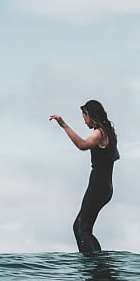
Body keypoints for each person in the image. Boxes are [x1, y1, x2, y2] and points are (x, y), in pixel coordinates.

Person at [50, 100, 120, 252]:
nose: (84, 121)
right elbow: (116, 155)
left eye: (84, 117)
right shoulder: (109, 132)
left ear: (90, 115)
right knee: (79, 227)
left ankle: (96, 265)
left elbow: (82, 145)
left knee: (83, 228)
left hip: (98, 185)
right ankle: (96, 262)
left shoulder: (99, 133)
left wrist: (64, 126)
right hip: (106, 187)